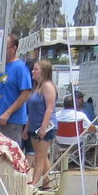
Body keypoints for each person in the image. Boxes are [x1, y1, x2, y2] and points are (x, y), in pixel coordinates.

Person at [0, 33, 32, 144]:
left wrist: (8, 113)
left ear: (13, 49)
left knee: (9, 152)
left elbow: (26, 93)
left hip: (11, 121)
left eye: (4, 48)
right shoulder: (0, 68)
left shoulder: (20, 68)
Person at [24, 59, 57, 187]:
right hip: (34, 126)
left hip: (45, 127)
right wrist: (27, 128)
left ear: (43, 71)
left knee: (39, 157)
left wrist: (43, 128)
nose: (33, 71)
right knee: (42, 156)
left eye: (36, 69)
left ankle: (34, 182)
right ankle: (47, 183)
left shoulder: (48, 86)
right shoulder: (37, 87)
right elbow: (31, 111)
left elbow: (50, 108)